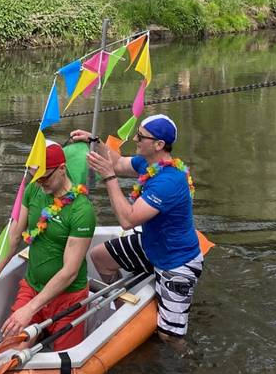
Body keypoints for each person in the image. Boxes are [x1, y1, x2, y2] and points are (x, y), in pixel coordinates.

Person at [76, 114, 203, 342]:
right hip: (152, 246)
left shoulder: (168, 181)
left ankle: (182, 366)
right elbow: (117, 161)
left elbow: (128, 220)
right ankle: (119, 309)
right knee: (101, 257)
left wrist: (109, 178)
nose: (135, 138)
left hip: (177, 261)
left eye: (141, 136)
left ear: (159, 145)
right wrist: (94, 142)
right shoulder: (149, 163)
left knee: (169, 337)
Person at [0, 143, 96, 350]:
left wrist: (29, 309)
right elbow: (14, 236)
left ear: (62, 168)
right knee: (10, 349)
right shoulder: (33, 190)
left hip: (68, 299)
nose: (39, 182)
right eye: (36, 176)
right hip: (32, 288)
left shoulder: (82, 211)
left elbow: (70, 272)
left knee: (65, 358)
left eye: (45, 177)